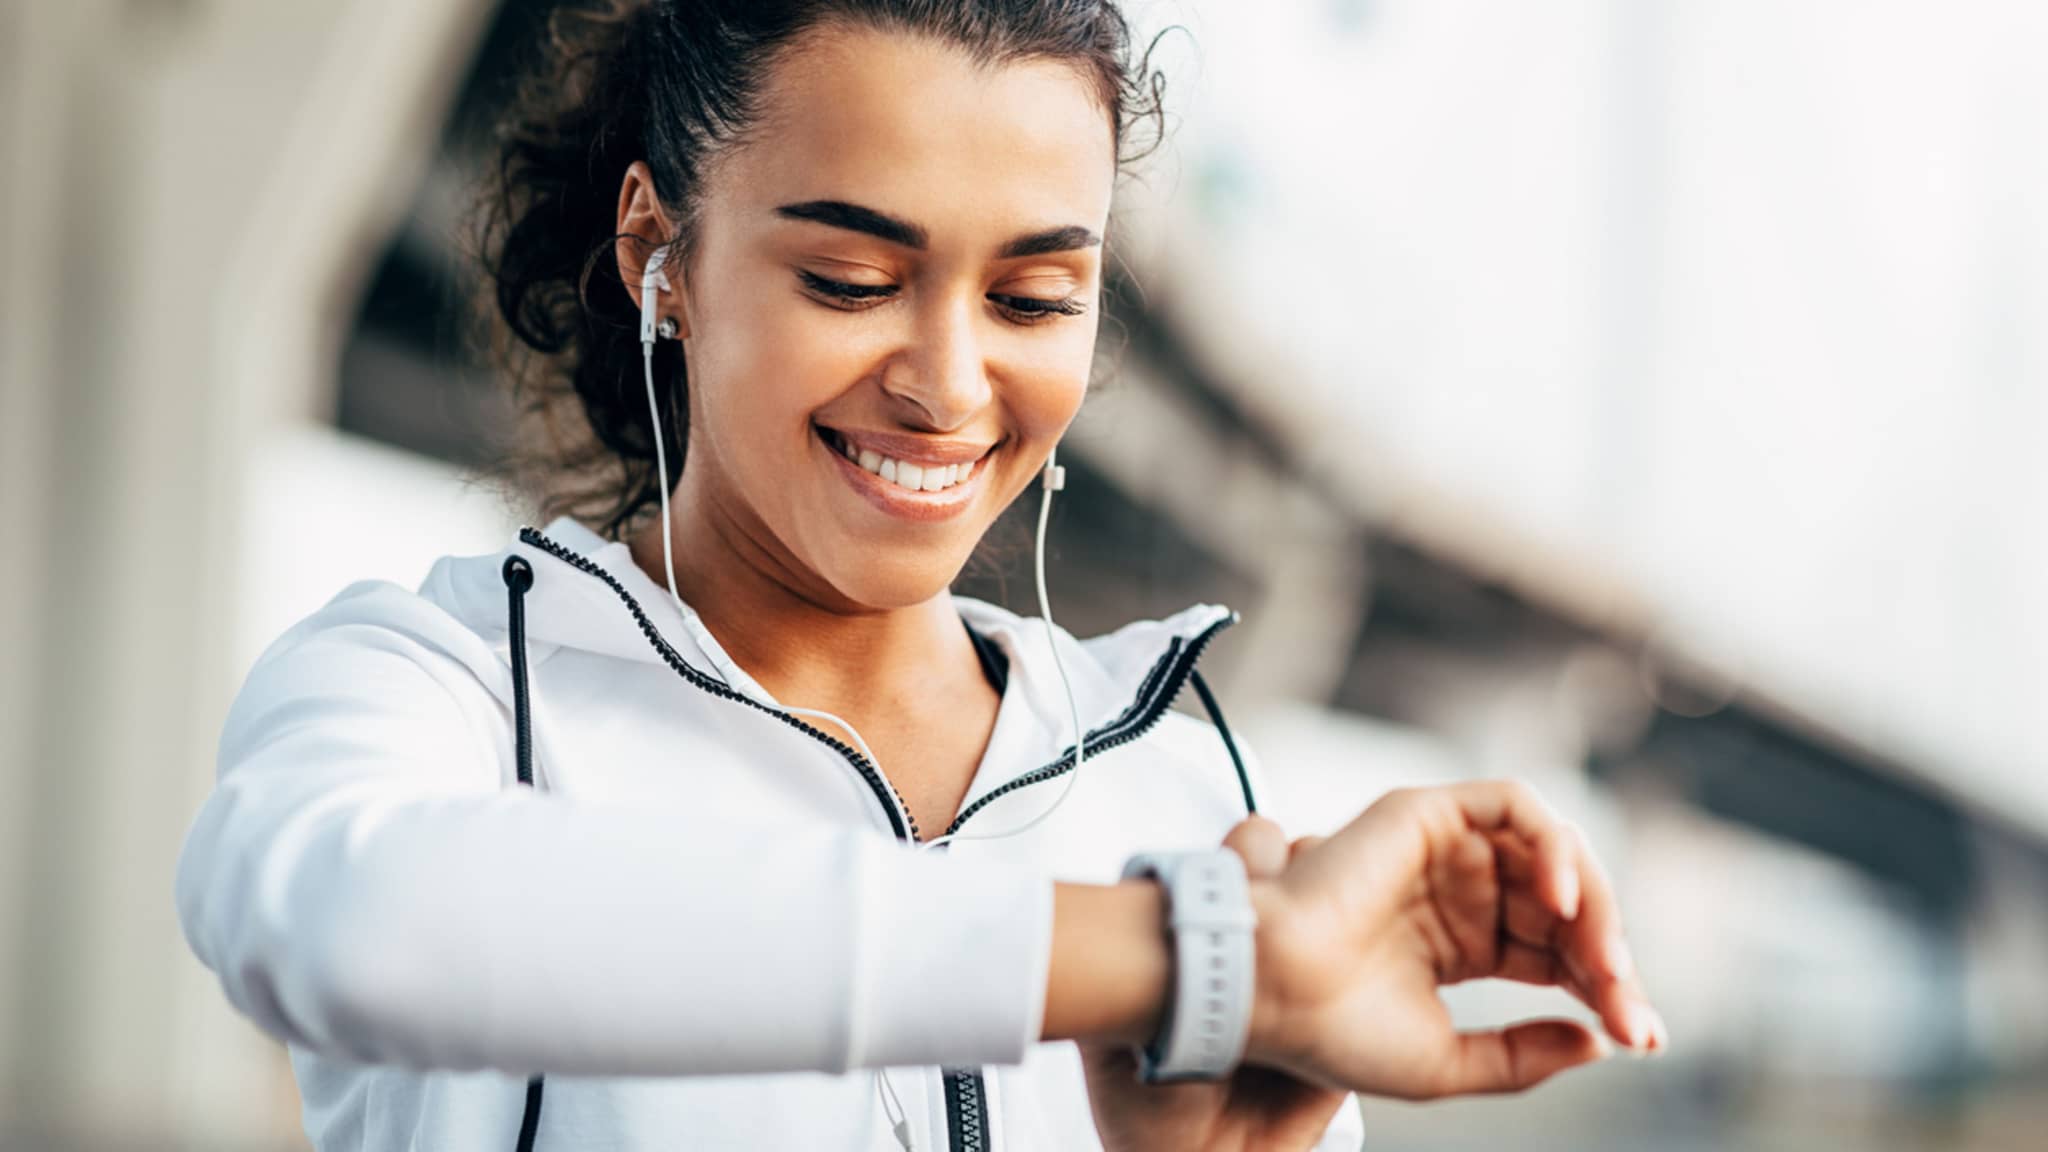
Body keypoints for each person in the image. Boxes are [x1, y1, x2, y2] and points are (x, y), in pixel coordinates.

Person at [174, 1, 1667, 1149]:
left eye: (1033, 297)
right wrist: (1171, 959)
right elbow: (356, 927)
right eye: (850, 280)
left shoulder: (1180, 764)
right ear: (660, 253)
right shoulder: (438, 682)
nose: (950, 386)